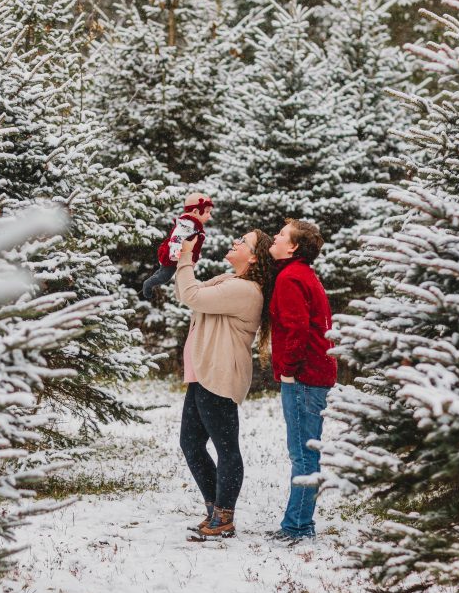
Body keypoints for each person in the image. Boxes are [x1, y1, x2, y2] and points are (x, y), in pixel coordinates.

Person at [175, 228, 275, 540]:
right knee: (190, 443)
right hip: (203, 374)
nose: (235, 241)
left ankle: (224, 516)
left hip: (220, 374)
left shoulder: (245, 290)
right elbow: (195, 295)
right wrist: (185, 257)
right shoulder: (230, 281)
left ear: (255, 257)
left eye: (243, 241)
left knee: (226, 447)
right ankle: (214, 509)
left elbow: (190, 295)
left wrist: (186, 257)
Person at [265, 219, 337, 546]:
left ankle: (298, 526)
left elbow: (296, 330)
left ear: (293, 247)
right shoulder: (302, 275)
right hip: (314, 373)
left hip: (304, 376)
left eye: (281, 235)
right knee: (305, 450)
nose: (276, 237)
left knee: (303, 452)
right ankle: (298, 521)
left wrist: (289, 369)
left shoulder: (290, 277)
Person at [142, 192, 213, 300]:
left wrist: (194, 257)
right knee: (165, 276)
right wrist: (175, 254)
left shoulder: (193, 224)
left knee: (163, 272)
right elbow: (176, 237)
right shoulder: (187, 224)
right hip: (174, 255)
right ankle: (148, 284)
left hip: (179, 255)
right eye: (207, 212)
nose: (209, 215)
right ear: (195, 211)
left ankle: (154, 277)